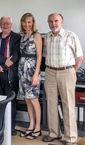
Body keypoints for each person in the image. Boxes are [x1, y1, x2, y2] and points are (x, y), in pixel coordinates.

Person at [42, 13, 83, 145]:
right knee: (51, 104)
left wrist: (71, 72)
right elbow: (45, 55)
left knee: (68, 105)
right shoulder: (47, 36)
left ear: (62, 22)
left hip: (66, 72)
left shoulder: (71, 36)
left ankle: (70, 137)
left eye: (56, 21)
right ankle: (54, 133)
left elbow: (79, 58)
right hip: (50, 72)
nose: (53, 24)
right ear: (48, 22)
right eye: (50, 21)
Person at [0, 16, 21, 136]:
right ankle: (0, 126)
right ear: (0, 25)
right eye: (3, 23)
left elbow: (17, 54)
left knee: (11, 102)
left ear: (11, 25)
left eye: (7, 23)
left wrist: (5, 65)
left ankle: (11, 128)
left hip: (11, 75)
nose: (5, 26)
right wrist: (3, 62)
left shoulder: (17, 37)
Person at [18, 13, 42, 139]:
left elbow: (39, 56)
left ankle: (38, 128)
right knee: (27, 99)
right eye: (24, 22)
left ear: (33, 22)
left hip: (32, 70)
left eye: (29, 22)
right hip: (22, 70)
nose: (26, 24)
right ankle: (31, 125)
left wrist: (36, 74)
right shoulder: (22, 36)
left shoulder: (36, 35)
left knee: (34, 99)